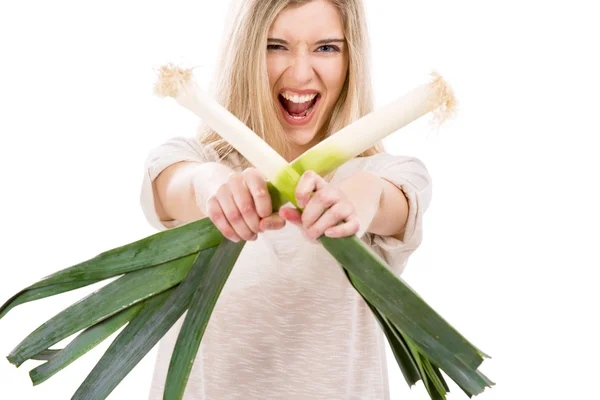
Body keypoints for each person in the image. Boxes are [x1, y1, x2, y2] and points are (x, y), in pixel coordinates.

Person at [140, 0, 432, 398]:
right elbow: (178, 185)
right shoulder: (192, 160)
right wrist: (210, 184)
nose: (299, 72)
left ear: (351, 59)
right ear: (246, 52)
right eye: (276, 46)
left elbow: (388, 201)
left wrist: (360, 198)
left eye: (326, 47)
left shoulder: (387, 174)